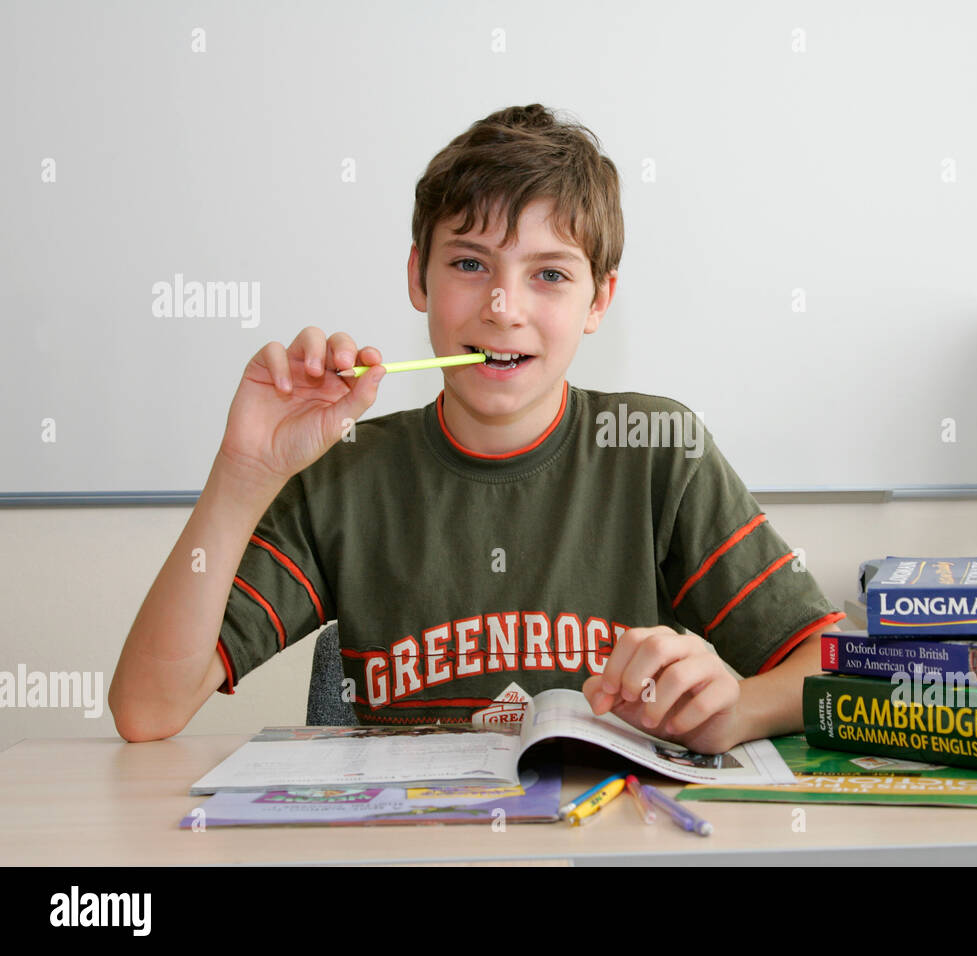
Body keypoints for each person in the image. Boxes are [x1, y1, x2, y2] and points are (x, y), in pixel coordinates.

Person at [109, 104, 843, 754]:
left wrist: (738, 707)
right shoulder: (346, 469)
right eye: (469, 263)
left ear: (599, 300)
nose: (502, 306)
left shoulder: (655, 447)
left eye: (549, 274)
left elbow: (829, 660)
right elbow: (148, 708)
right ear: (418, 278)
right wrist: (244, 473)